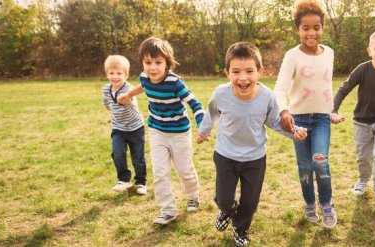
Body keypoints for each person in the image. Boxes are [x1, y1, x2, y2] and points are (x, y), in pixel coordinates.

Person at [196, 42, 307, 247]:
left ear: (260, 72)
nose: (243, 77)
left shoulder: (267, 97)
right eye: (236, 71)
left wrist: (294, 132)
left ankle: (240, 228)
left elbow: (275, 121)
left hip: (255, 158)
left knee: (250, 201)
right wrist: (204, 131)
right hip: (225, 155)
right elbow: (211, 113)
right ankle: (227, 210)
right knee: (224, 198)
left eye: (249, 71)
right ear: (227, 73)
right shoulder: (221, 93)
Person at [116, 37, 204, 225]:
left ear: (167, 63)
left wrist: (202, 126)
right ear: (142, 63)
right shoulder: (144, 77)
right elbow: (143, 86)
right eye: (148, 62)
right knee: (160, 172)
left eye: (158, 62)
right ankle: (167, 210)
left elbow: (195, 104)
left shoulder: (175, 83)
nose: (153, 68)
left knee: (184, 170)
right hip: (157, 131)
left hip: (180, 133)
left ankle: (193, 196)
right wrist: (128, 94)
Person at [273, 0, 336, 228]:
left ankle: (327, 204)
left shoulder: (329, 53)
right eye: (306, 28)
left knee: (320, 161)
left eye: (316, 27)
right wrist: (284, 110)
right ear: (298, 29)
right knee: (305, 167)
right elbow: (280, 89)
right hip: (298, 120)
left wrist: (332, 111)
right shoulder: (292, 56)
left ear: (322, 28)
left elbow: (325, 87)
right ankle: (310, 203)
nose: (311, 33)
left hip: (321, 119)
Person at [331, 28, 375, 205]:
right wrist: (333, 110)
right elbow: (343, 89)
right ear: (369, 51)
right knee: (363, 157)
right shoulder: (362, 69)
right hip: (361, 122)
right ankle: (363, 179)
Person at [101, 55, 147, 195]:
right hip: (118, 128)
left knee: (138, 157)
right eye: (111, 73)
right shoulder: (105, 89)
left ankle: (141, 182)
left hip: (135, 128)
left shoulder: (129, 89)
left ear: (126, 75)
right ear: (107, 74)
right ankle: (123, 180)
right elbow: (107, 104)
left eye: (119, 73)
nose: (115, 76)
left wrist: (127, 100)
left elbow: (131, 102)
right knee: (118, 153)